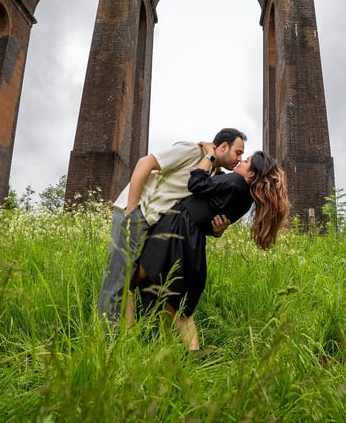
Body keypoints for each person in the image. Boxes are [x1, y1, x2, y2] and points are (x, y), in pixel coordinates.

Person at [130, 146, 290, 351]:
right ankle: (191, 352)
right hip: (192, 242)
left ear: (251, 174)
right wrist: (217, 232)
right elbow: (209, 220)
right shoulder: (245, 201)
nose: (241, 161)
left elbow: (195, 183)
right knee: (175, 303)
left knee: (131, 281)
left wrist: (209, 155)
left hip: (175, 229)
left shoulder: (236, 181)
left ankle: (128, 339)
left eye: (247, 160)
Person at [97, 128, 248, 325]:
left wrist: (217, 231)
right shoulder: (192, 152)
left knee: (137, 283)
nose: (240, 158)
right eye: (238, 152)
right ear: (223, 147)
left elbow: (193, 213)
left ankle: (129, 343)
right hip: (137, 213)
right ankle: (107, 343)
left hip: (154, 222)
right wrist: (132, 209)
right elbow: (145, 163)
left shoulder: (208, 171)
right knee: (118, 280)